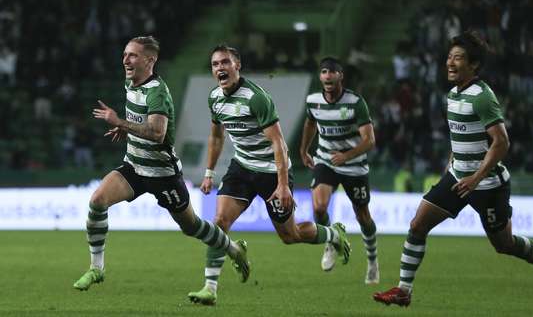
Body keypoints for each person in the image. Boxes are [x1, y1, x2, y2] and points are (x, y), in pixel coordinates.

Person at [373, 31, 533, 307]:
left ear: (473, 65)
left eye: (458, 58)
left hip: (488, 185)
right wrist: (453, 162)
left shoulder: (482, 96)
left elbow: (501, 142)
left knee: (504, 244)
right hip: (458, 178)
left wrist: (476, 177)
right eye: (449, 57)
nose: (450, 62)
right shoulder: (452, 94)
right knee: (417, 225)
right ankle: (404, 290)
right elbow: (461, 135)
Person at [72, 36, 249, 292]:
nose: (125, 60)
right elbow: (139, 118)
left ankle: (234, 249)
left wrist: (120, 122)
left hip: (163, 174)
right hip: (134, 166)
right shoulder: (130, 82)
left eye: (132, 55)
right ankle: (96, 268)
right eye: (125, 54)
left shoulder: (157, 92)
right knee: (97, 201)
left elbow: (157, 132)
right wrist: (126, 130)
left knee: (192, 227)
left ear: (150, 60)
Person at [187, 44, 351, 306]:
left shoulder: (256, 98)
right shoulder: (214, 98)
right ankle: (210, 288)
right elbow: (216, 137)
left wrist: (284, 186)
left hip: (272, 172)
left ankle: (333, 234)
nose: (220, 68)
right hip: (241, 167)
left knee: (291, 235)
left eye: (225, 62)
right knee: (219, 221)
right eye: (215, 64)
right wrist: (208, 172)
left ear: (237, 66)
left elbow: (279, 144)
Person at [299, 57, 379, 284]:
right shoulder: (313, 101)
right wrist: (304, 149)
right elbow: (310, 123)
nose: (328, 76)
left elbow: (369, 140)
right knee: (319, 207)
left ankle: (372, 261)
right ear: (320, 77)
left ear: (340, 76)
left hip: (354, 166)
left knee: (363, 217)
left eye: (332, 72)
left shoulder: (355, 102)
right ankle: (332, 240)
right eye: (324, 72)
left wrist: (346, 156)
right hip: (326, 160)